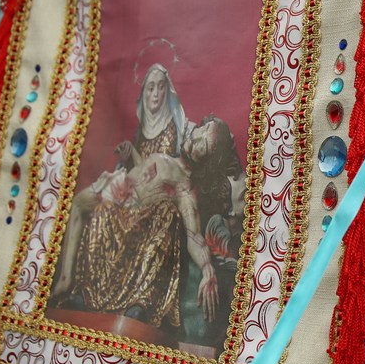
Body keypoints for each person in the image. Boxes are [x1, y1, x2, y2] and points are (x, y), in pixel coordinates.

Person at [52, 117, 239, 330]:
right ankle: (71, 285)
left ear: (208, 160)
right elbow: (144, 173)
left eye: (204, 144)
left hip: (138, 221)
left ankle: (138, 301)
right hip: (121, 198)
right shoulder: (164, 158)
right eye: (203, 129)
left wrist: (208, 270)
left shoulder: (184, 188)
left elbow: (194, 235)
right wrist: (131, 153)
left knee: (166, 212)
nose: (197, 138)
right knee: (83, 206)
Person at [115, 63, 190, 166]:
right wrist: (128, 154)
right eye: (151, 88)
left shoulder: (177, 126)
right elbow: (136, 171)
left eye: (161, 87)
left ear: (167, 90)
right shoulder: (139, 132)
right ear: (144, 93)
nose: (156, 94)